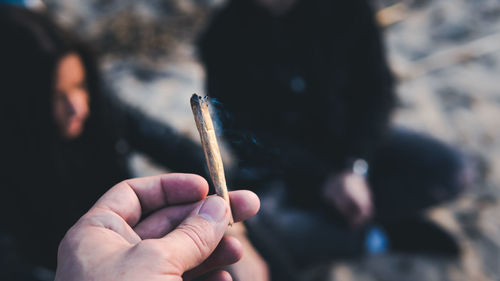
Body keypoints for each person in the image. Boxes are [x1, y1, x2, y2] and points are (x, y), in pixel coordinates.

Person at [199, 0, 468, 278]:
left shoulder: (349, 8)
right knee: (257, 225)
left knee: (451, 169)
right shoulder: (222, 35)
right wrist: (325, 179)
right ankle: (377, 237)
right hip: (282, 171)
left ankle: (354, 224)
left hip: (351, 147)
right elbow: (243, 134)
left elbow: (377, 93)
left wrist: (355, 167)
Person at [0, 4, 206, 274]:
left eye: (80, 85)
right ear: (18, 102)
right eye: (56, 95)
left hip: (139, 240)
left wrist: (230, 219)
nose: (78, 106)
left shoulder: (100, 107)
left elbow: (172, 145)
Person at [55, 173, 260, 281]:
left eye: (80, 90)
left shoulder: (112, 116)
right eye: (59, 97)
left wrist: (234, 230)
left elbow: (171, 146)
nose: (74, 105)